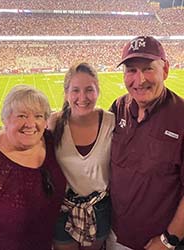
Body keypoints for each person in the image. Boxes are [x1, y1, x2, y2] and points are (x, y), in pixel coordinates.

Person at [108, 35, 184, 250]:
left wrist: (169, 240)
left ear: (166, 70)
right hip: (114, 235)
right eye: (131, 70)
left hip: (158, 243)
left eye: (148, 68)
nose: (139, 80)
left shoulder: (181, 117)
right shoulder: (119, 107)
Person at [0, 85, 66, 250]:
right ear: (5, 119)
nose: (31, 124)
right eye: (22, 115)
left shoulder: (49, 141)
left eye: (38, 116)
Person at [48, 62, 115, 250]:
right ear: (66, 93)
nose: (82, 97)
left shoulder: (111, 121)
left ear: (98, 91)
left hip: (100, 209)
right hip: (63, 210)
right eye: (75, 90)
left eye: (89, 90)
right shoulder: (55, 122)